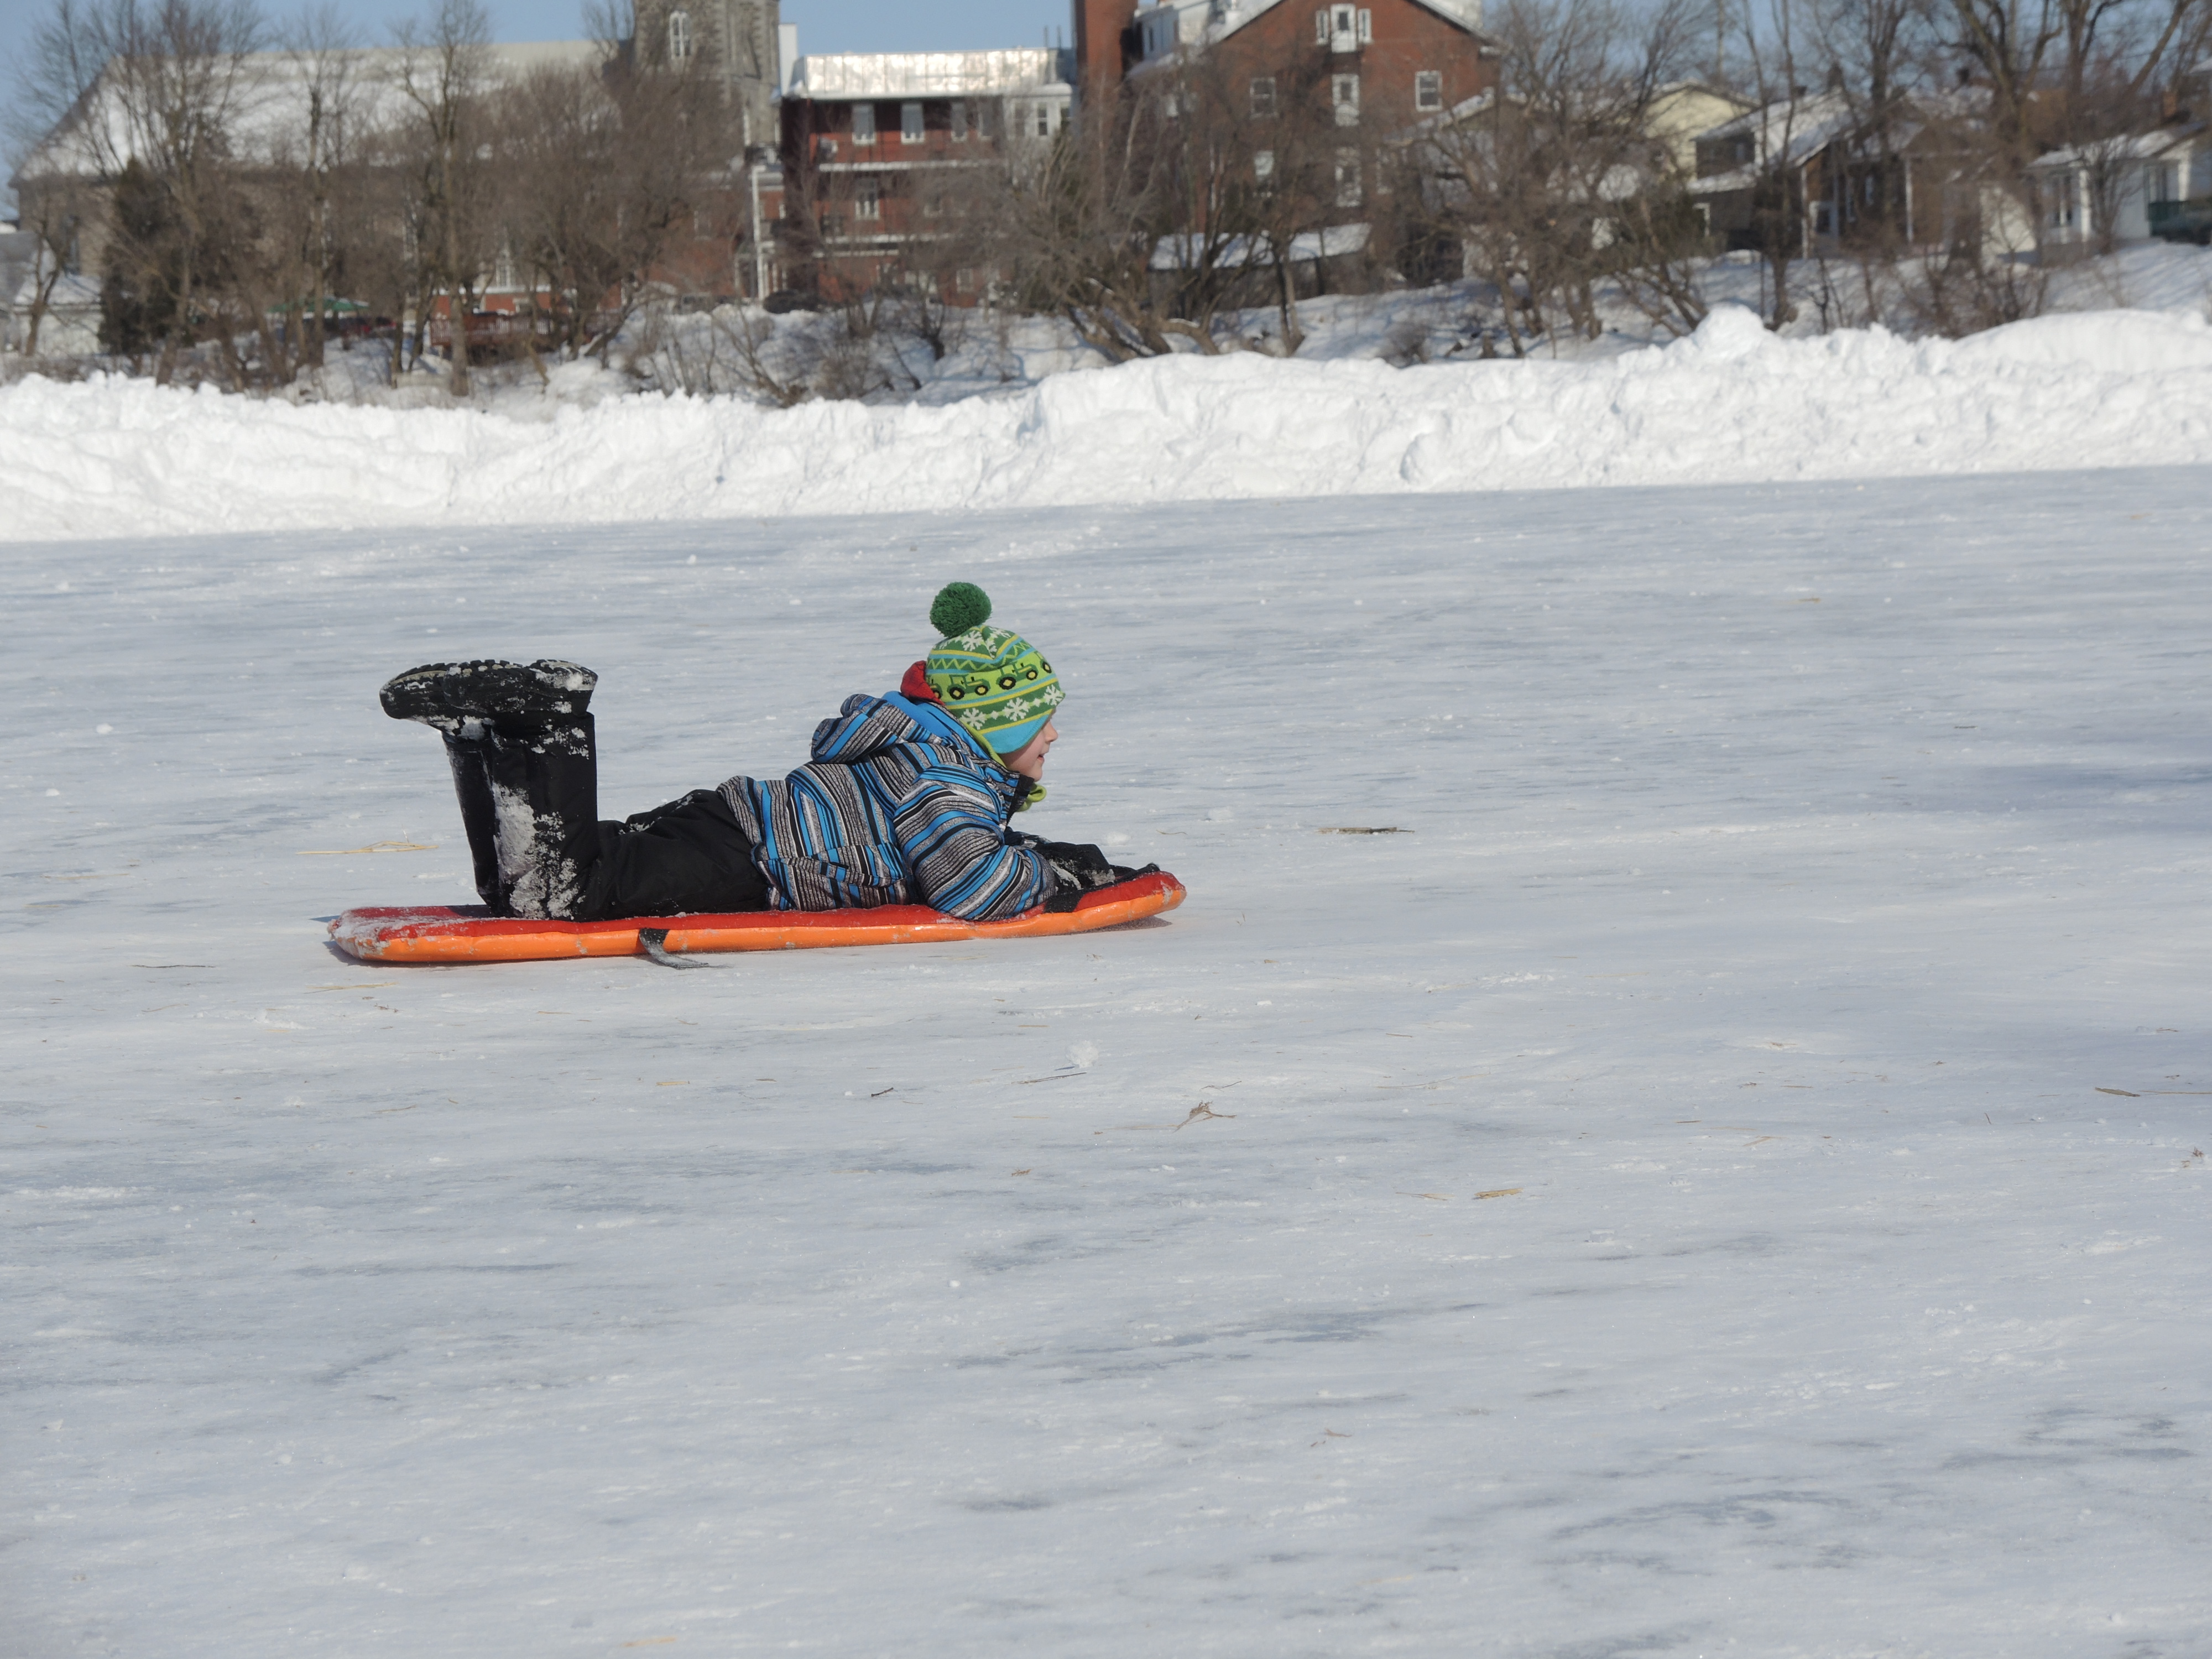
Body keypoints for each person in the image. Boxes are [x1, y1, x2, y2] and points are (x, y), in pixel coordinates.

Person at [377, 582, 1147, 922]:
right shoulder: (948, 778)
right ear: (994, 723)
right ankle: (548, 724)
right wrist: (1054, 873)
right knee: (564, 898)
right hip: (747, 861)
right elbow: (971, 886)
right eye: (1039, 720)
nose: (1052, 736)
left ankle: (484, 742)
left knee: (524, 887)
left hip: (729, 822)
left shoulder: (925, 751)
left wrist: (1045, 849)